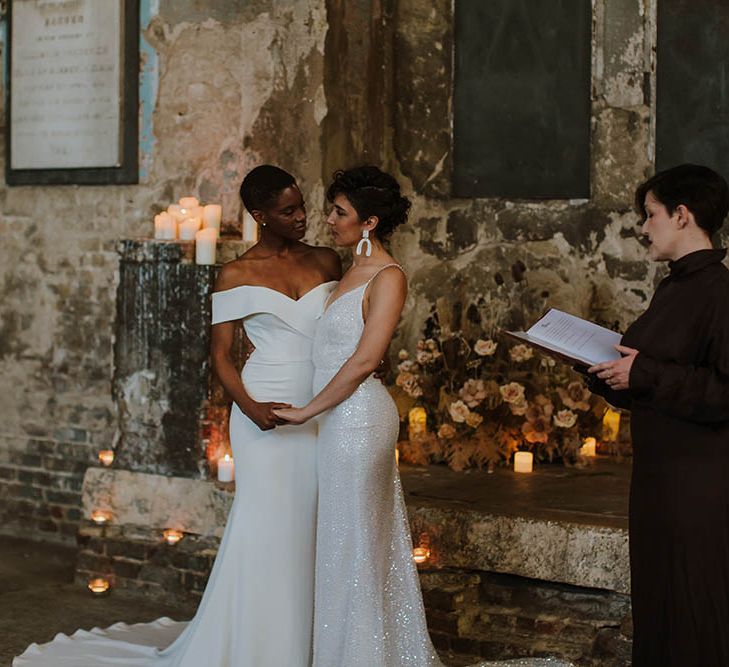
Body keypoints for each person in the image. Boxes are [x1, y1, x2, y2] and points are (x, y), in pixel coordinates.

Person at [13, 165, 341, 667]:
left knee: (313, 522)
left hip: (321, 406)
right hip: (263, 411)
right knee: (267, 524)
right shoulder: (235, 272)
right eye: (287, 210)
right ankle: (260, 644)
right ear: (260, 216)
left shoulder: (326, 260)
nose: (301, 217)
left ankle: (311, 640)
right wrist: (249, 409)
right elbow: (221, 356)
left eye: (301, 205)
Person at [275, 166, 570, 667]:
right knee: (345, 543)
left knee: (358, 546)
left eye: (339, 212)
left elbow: (366, 360)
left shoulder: (388, 277)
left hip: (359, 421)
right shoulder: (346, 272)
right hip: (336, 421)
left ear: (369, 222)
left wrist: (306, 411)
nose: (328, 219)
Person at [587, 164, 729, 666]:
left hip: (698, 489)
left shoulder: (719, 291)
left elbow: (723, 392)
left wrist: (642, 374)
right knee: (661, 605)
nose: (644, 227)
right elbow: (652, 375)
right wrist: (602, 370)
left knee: (695, 609)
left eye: (651, 215)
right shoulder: (675, 288)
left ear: (683, 214)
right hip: (661, 481)